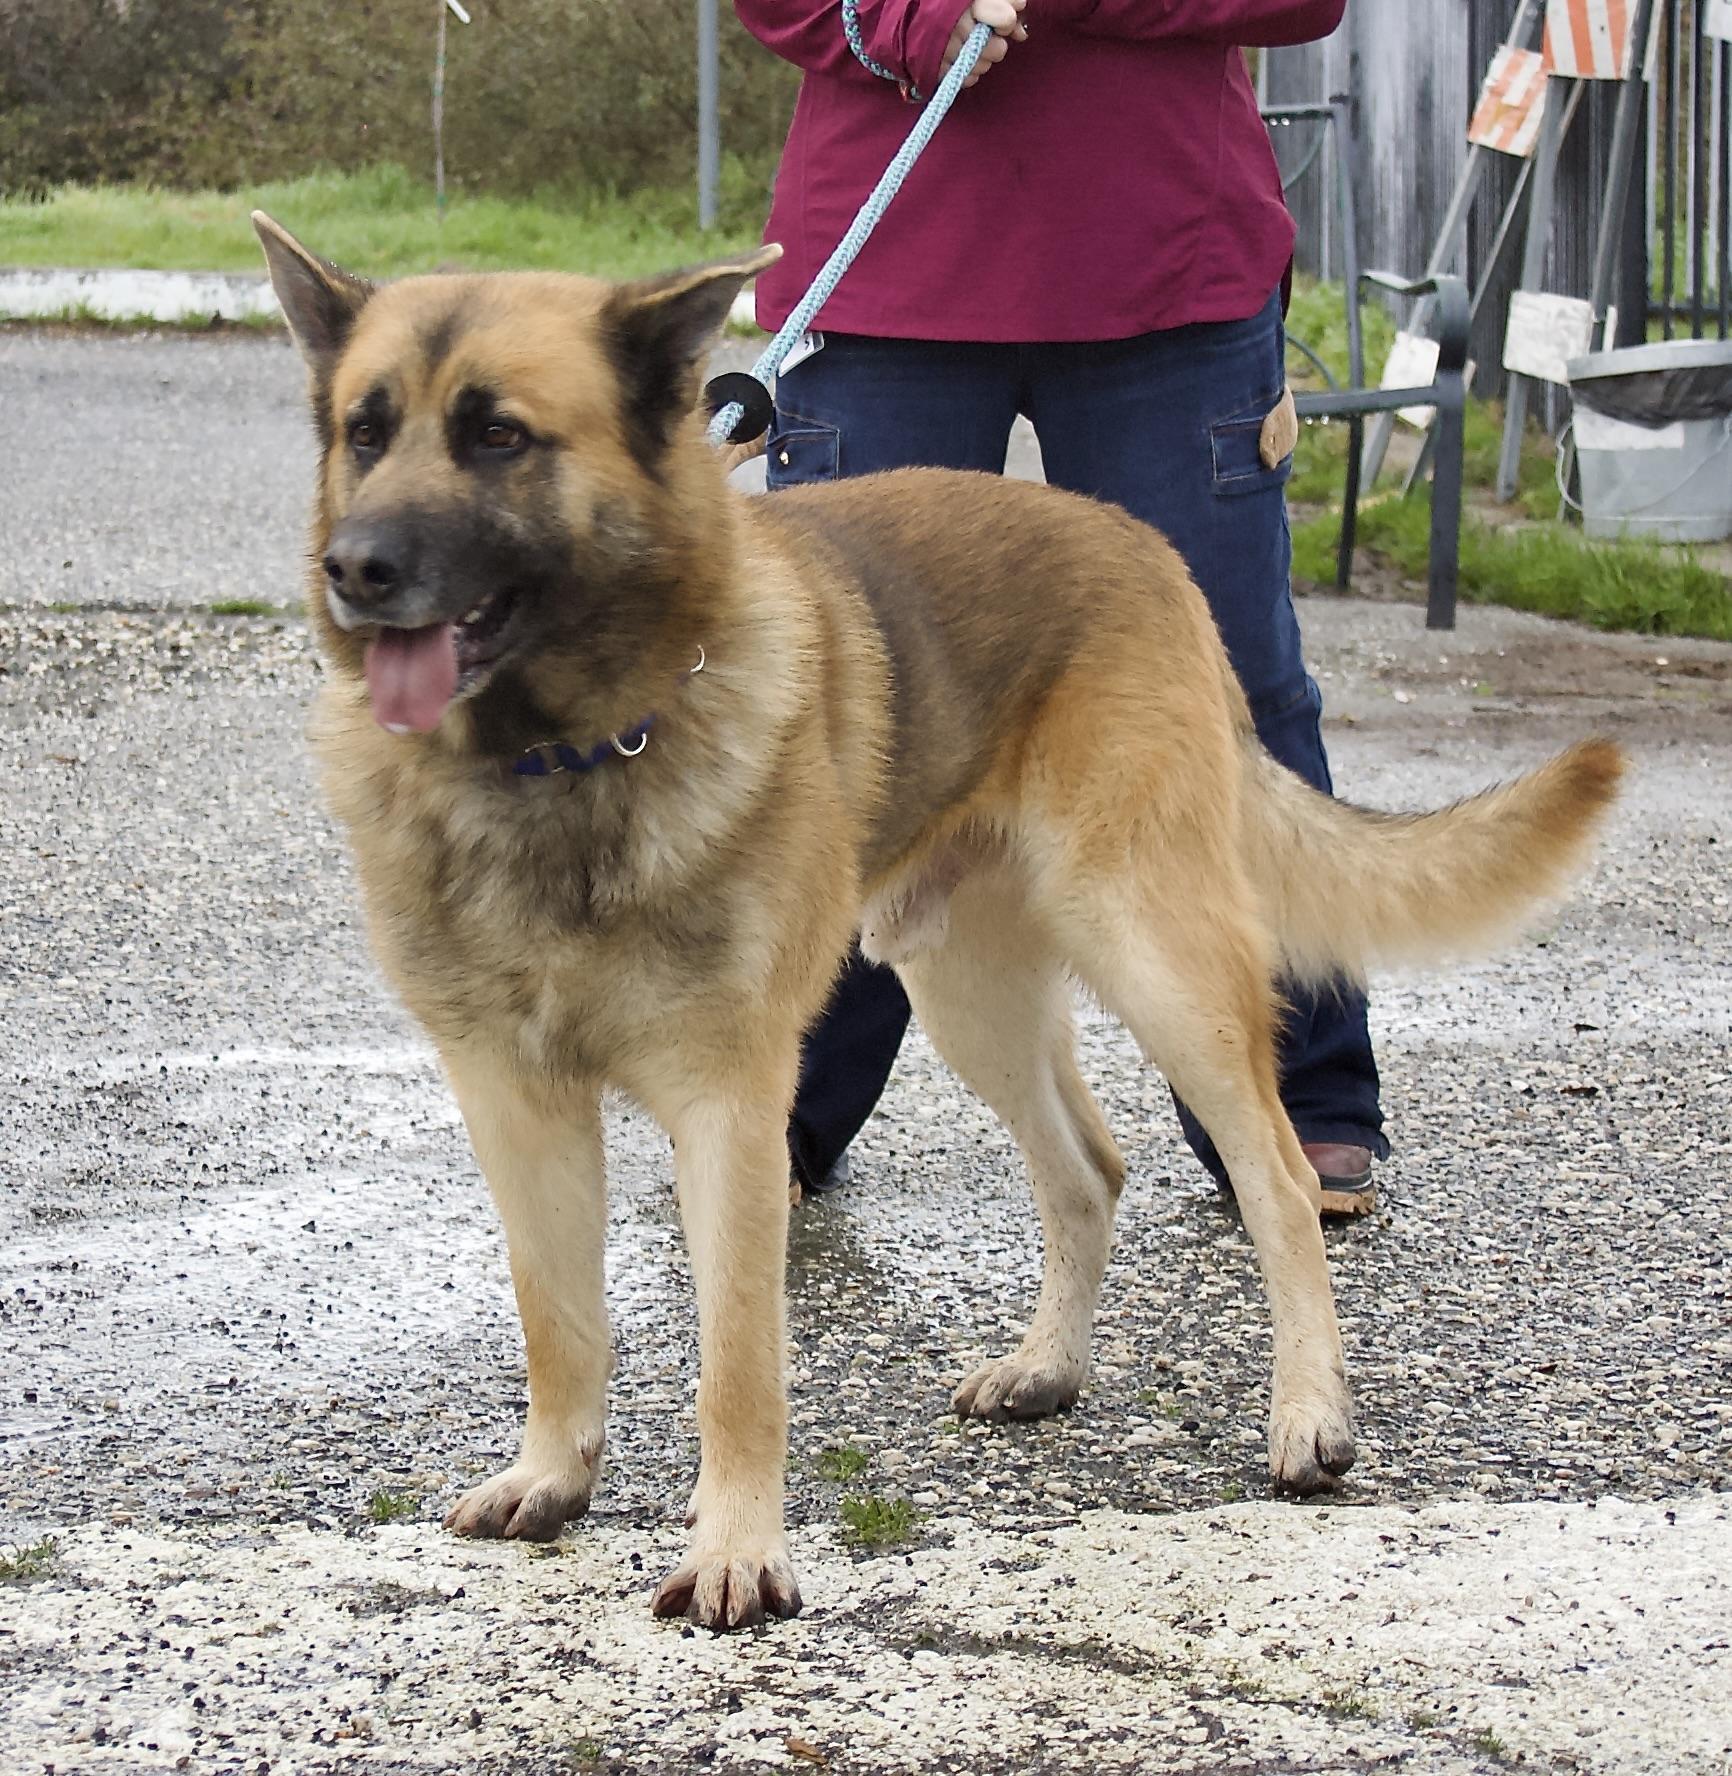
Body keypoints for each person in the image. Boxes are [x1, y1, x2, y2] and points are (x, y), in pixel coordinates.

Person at [734, 0, 1385, 1216]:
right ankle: (773, 1099)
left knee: (1239, 693)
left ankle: (1299, 1093)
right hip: (887, 282)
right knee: (834, 713)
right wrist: (908, 21)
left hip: (1170, 272)